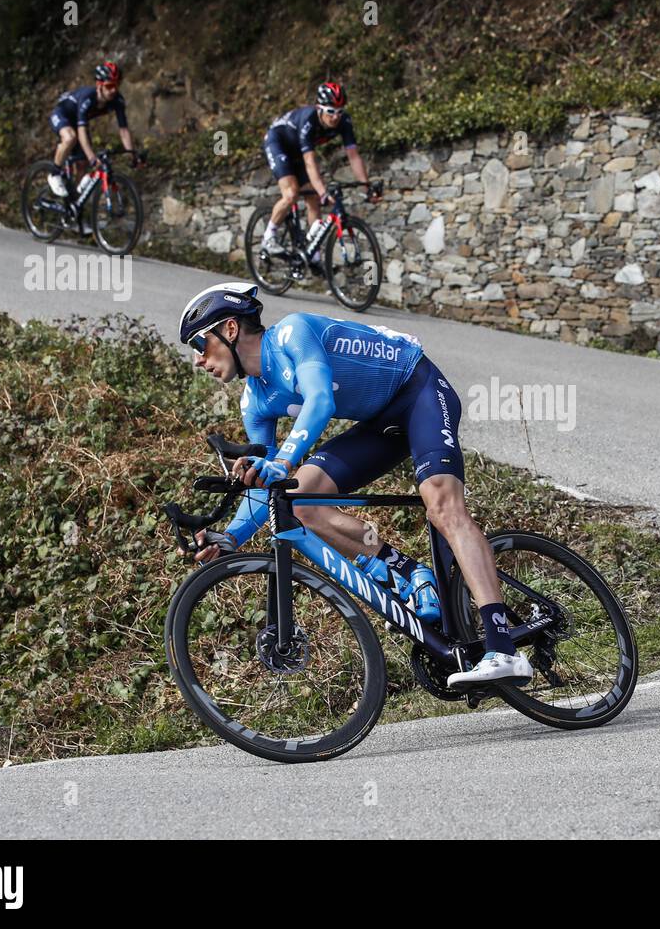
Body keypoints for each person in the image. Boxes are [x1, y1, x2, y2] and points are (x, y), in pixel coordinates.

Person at [179, 282, 531, 687]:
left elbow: (319, 402)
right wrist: (232, 537)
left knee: (442, 507)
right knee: (297, 500)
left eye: (198, 344)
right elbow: (268, 486)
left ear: (229, 329)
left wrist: (283, 460)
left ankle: (503, 647)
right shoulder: (254, 401)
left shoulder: (292, 334)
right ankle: (410, 573)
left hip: (418, 391)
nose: (197, 359)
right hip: (379, 423)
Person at [260, 82, 379, 261]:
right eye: (330, 111)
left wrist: (366, 186)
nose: (335, 117)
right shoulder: (309, 120)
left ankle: (312, 255)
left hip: (298, 150)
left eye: (339, 111)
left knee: (313, 197)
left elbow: (353, 156)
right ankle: (269, 237)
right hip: (279, 143)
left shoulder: (344, 122)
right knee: (291, 193)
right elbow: (309, 161)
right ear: (319, 108)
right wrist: (323, 192)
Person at [47, 62, 138, 198]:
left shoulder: (117, 100)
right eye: (109, 86)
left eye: (117, 85)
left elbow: (123, 130)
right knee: (70, 137)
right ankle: (54, 173)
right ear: (99, 85)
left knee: (82, 165)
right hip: (62, 114)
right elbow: (82, 131)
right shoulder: (88, 97)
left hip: (77, 123)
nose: (114, 90)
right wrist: (92, 159)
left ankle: (75, 203)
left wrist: (131, 153)